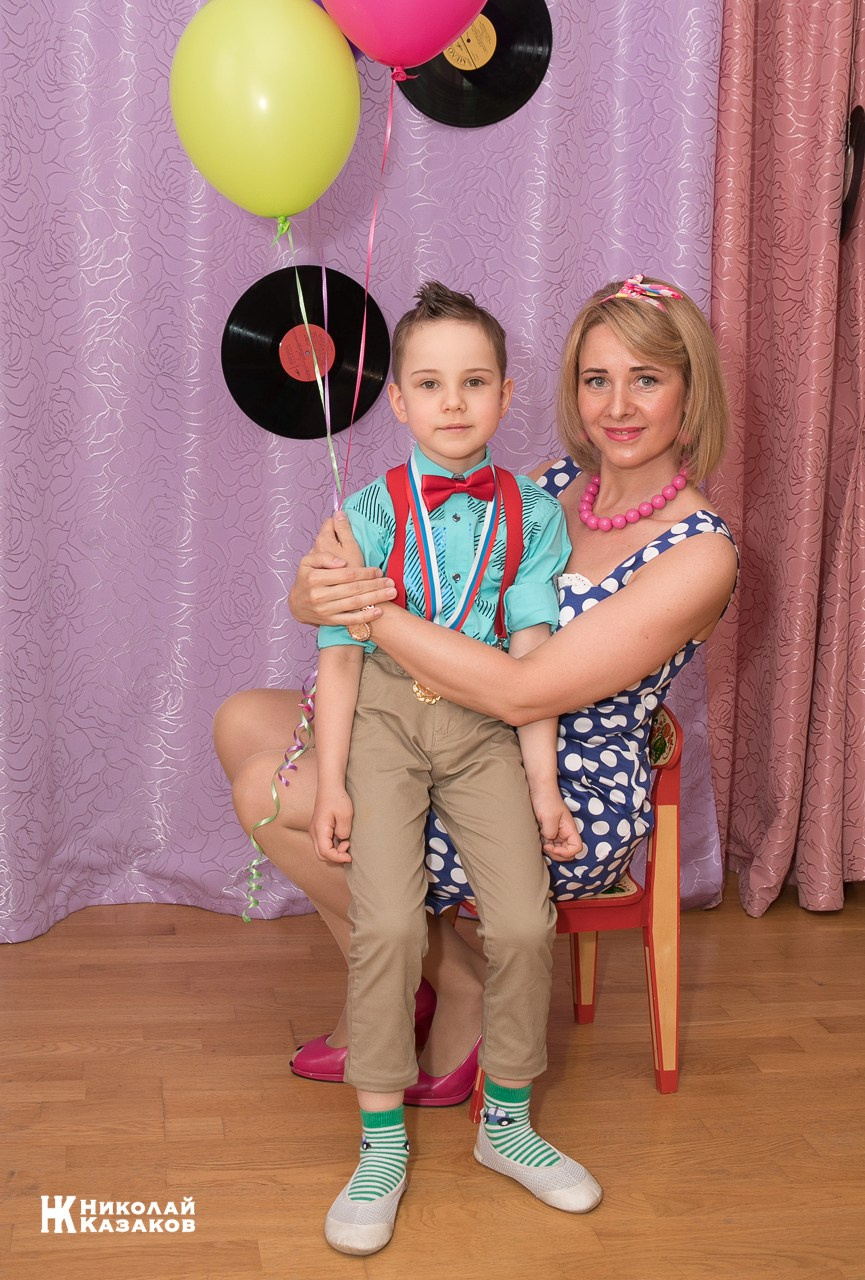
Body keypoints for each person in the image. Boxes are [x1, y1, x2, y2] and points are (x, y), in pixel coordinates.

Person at [213, 273, 738, 1250]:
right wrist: (317, 589)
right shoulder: (545, 485)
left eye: (646, 379)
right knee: (243, 719)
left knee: (269, 791)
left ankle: (454, 994)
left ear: (688, 390)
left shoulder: (699, 551)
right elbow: (356, 594)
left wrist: (369, 611)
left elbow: (524, 691)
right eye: (596, 379)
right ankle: (433, 982)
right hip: (433, 715)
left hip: (560, 780)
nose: (618, 406)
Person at [316, 280, 606, 1254]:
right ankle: (380, 1142)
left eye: (474, 381)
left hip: (485, 726)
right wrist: (332, 779)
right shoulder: (364, 511)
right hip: (385, 721)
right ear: (397, 401)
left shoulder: (532, 514)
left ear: (506, 394)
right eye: (431, 384)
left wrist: (542, 786)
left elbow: (530, 659)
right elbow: (340, 653)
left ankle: (507, 1123)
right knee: (389, 925)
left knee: (523, 920)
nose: (453, 401)